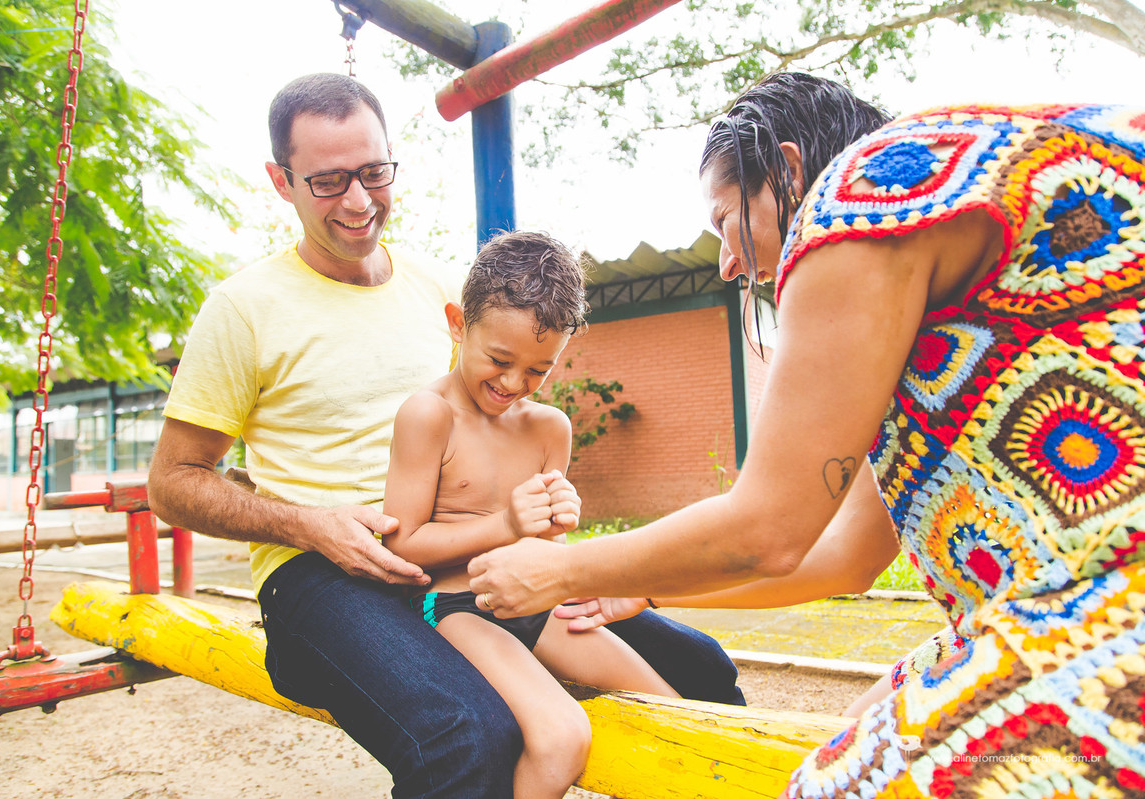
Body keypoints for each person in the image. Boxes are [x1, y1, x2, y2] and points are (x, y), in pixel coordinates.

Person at [468, 71, 1145, 796]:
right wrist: (647, 589)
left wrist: (561, 570)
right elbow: (845, 556)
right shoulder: (939, 237)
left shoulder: (861, 196)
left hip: (1103, 613)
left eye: (726, 220)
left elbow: (770, 526)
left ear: (788, 170)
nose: (729, 262)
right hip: (1052, 600)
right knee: (852, 735)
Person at [147, 72, 742, 799]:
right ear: (282, 180)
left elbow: (499, 431)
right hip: (320, 576)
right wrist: (311, 524)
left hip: (456, 561)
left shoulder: (443, 294)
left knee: (699, 666)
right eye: (330, 181)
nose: (359, 201)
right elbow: (172, 483)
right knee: (465, 732)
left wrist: (563, 556)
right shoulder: (243, 308)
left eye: (373, 172)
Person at [383, 230, 681, 799]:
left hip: (535, 602)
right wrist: (506, 527)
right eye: (499, 360)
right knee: (563, 735)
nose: (514, 384)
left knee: (666, 705)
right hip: (453, 607)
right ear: (457, 324)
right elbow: (401, 546)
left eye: (538, 371)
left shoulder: (549, 428)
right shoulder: (428, 415)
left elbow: (547, 552)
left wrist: (557, 527)